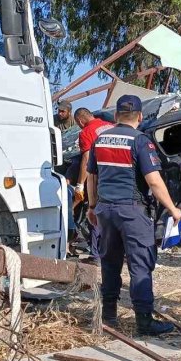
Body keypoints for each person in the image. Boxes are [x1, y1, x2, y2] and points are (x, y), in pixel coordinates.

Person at [86, 94, 181, 335]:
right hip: (131, 211)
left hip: (105, 210)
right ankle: (144, 321)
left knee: (110, 262)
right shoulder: (140, 141)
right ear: (139, 116)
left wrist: (91, 206)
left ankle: (108, 317)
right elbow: (154, 181)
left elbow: (92, 177)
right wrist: (172, 209)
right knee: (140, 264)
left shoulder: (100, 139)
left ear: (117, 115)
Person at [70, 108, 114, 258]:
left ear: (81, 121)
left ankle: (96, 255)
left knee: (94, 214)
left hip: (100, 178)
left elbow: (86, 159)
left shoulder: (86, 132)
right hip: (120, 178)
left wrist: (80, 185)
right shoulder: (111, 126)